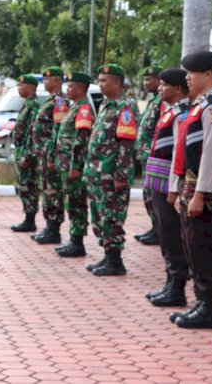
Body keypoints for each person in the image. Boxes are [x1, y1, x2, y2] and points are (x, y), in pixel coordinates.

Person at [169, 50, 212, 329]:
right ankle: (200, 303)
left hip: (203, 191)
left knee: (203, 246)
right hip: (190, 186)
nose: (188, 79)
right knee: (191, 245)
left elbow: (211, 155)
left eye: (192, 73)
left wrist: (200, 194)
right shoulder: (199, 105)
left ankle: (209, 308)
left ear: (207, 74)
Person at [83, 63, 139, 276]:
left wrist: (121, 174)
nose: (100, 84)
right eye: (99, 80)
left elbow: (126, 144)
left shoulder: (125, 107)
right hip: (98, 173)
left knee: (112, 216)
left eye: (104, 80)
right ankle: (107, 256)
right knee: (100, 216)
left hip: (111, 174)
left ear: (117, 82)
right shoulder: (107, 104)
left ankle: (115, 262)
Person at [143, 68, 191, 307]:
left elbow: (178, 154)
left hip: (169, 183)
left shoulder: (182, 114)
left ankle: (177, 286)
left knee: (172, 235)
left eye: (165, 85)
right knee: (164, 233)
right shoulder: (169, 111)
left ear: (179, 89)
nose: (160, 88)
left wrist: (173, 187)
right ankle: (171, 282)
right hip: (159, 181)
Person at [54, 72, 94, 257]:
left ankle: (78, 243)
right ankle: (73, 240)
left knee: (77, 203)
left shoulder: (83, 109)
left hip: (73, 167)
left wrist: (75, 167)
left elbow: (81, 141)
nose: (66, 89)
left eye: (70, 86)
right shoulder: (74, 107)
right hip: (66, 165)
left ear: (79, 88)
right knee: (71, 202)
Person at [30, 66, 69, 244]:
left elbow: (59, 129)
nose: (45, 82)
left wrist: (52, 155)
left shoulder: (60, 101)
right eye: (44, 79)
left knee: (53, 191)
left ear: (58, 81)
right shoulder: (50, 99)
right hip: (43, 154)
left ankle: (54, 230)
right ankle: (48, 227)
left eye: (48, 79)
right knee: (46, 191)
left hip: (50, 154)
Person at [135, 65, 165, 246]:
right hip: (146, 155)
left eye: (149, 79)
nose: (145, 83)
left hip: (154, 156)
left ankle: (159, 230)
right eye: (144, 79)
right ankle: (155, 227)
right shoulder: (153, 100)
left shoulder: (162, 101)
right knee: (148, 195)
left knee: (153, 195)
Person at [10, 74, 43, 233]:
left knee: (29, 185)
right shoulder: (27, 104)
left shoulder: (34, 105)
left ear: (31, 87)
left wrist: (28, 155)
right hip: (22, 151)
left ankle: (30, 220)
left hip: (28, 154)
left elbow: (33, 133)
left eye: (21, 85)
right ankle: (28, 219)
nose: (19, 88)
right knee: (24, 185)